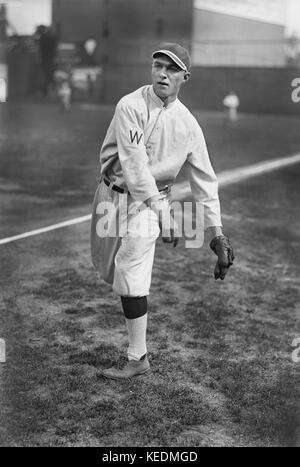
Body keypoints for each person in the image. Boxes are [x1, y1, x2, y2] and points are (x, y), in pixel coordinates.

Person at [91, 43, 234, 380]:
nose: (163, 73)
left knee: (130, 267)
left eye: (171, 69)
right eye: (158, 66)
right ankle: (137, 350)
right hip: (110, 197)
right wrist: (164, 212)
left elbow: (205, 182)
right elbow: (134, 164)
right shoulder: (130, 105)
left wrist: (217, 235)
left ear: (185, 76)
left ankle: (137, 358)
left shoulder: (189, 126)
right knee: (109, 270)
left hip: (150, 204)